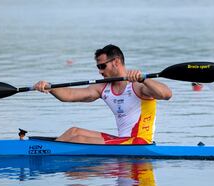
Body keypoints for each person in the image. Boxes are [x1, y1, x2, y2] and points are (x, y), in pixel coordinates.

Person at [34, 44, 172, 144]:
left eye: (102, 66)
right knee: (73, 132)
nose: (100, 71)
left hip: (139, 142)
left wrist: (145, 79)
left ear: (116, 62)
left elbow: (167, 94)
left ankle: (46, 151)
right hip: (122, 142)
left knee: (79, 140)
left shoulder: (138, 85)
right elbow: (69, 95)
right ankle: (47, 149)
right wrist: (50, 87)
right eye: (98, 67)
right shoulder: (102, 87)